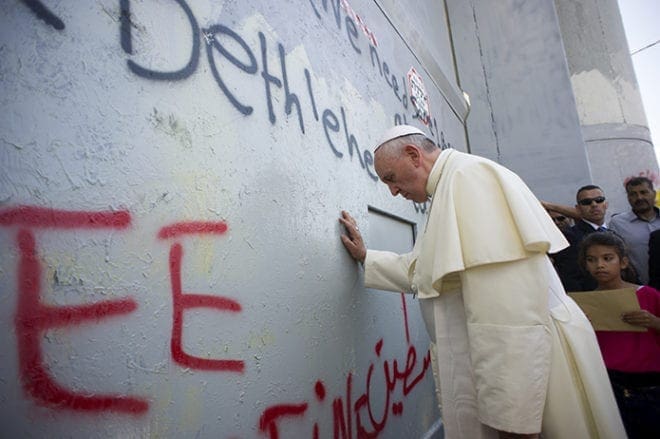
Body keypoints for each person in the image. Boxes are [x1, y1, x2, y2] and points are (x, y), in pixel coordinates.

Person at [338, 125, 625, 439]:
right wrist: (367, 257)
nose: (393, 191)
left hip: (530, 372)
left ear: (413, 155)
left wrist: (513, 419)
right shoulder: (450, 185)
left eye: (391, 178)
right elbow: (422, 271)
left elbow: (509, 319)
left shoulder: (470, 180)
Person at [577, 232, 660, 439]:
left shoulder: (648, 295)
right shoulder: (583, 305)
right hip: (609, 383)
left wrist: (653, 321)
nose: (600, 265)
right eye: (591, 260)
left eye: (607, 258)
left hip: (650, 384)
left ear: (622, 262)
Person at [551, 185, 610, 291]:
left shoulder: (614, 233)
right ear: (578, 208)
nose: (594, 205)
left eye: (599, 200)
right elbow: (570, 277)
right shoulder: (570, 236)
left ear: (606, 204)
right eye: (587, 202)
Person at [609, 176, 660, 285]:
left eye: (644, 192)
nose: (639, 198)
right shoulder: (618, 223)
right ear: (628, 197)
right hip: (638, 288)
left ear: (654, 194)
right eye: (633, 194)